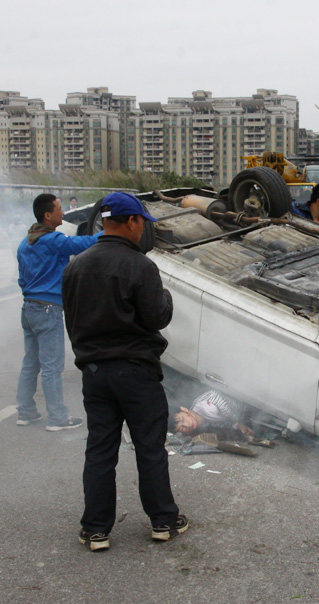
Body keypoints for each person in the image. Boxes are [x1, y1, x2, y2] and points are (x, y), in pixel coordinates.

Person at [62, 191, 187, 551]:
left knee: (100, 450)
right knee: (149, 447)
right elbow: (157, 317)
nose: (142, 230)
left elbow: (72, 321)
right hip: (136, 373)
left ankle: (96, 529)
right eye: (141, 223)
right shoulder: (141, 266)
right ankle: (163, 521)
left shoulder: (76, 265)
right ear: (131, 222)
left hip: (95, 373)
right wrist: (166, 297)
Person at [15, 193, 100, 431]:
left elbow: (21, 278)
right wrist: (112, 232)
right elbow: (82, 244)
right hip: (48, 310)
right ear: (47, 215)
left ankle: (26, 412)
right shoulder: (52, 239)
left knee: (31, 363)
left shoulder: (26, 242)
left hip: (29, 308)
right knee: (52, 366)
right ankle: (57, 418)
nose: (63, 213)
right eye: (59, 209)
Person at [171, 389, 254, 442]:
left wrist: (238, 420)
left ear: (184, 409)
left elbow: (216, 396)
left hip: (250, 402)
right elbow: (225, 422)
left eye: (182, 420)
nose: (186, 425)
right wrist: (240, 426)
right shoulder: (201, 418)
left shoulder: (207, 406)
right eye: (182, 428)